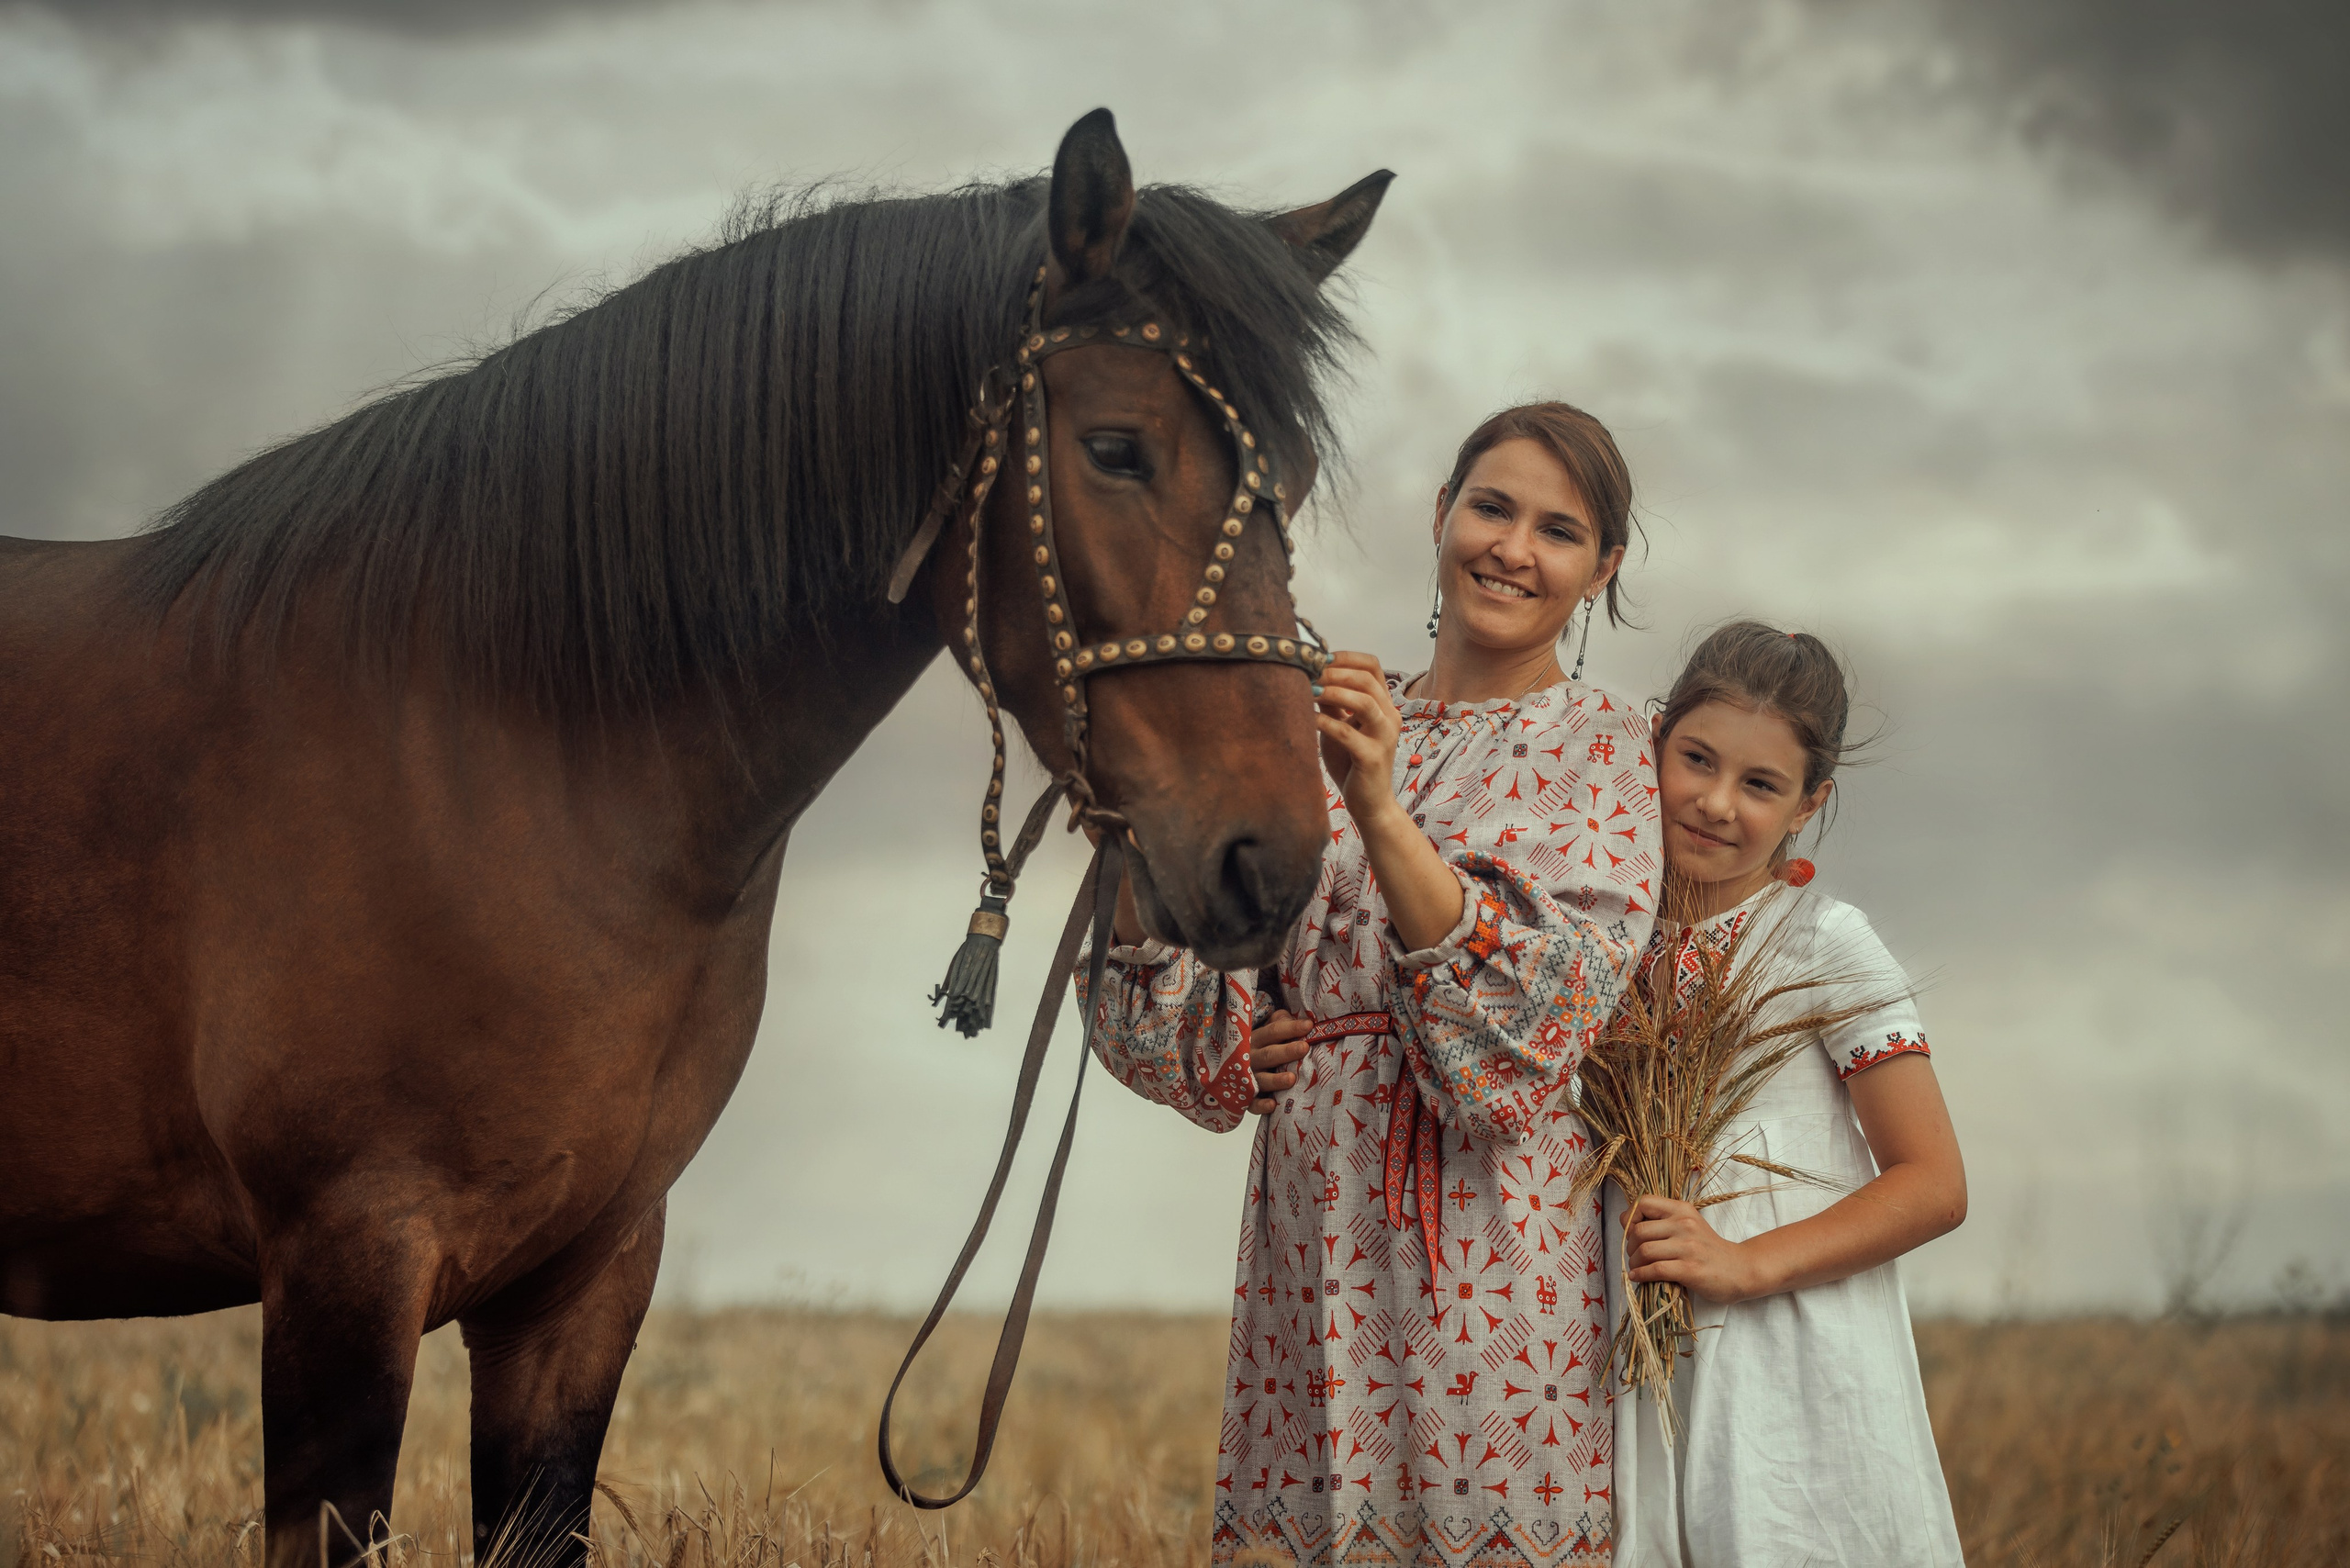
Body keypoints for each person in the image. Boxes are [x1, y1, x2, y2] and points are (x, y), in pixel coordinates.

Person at [1079, 402, 1661, 1568]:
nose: (1512, 547)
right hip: (1310, 1220)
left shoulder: (1601, 740)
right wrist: (1145, 814)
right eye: (1491, 507)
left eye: (1557, 530)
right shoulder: (1326, 716)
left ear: (1600, 570)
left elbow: (1528, 1021)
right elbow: (1177, 980)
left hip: (1490, 1230)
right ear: (1440, 513)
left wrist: (1380, 804)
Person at [1610, 622, 1968, 1567]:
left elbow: (1933, 1183)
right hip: (1628, 1351)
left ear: (1811, 801)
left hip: (1787, 1354)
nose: (1715, 802)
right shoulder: (1599, 934)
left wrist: (1742, 1264)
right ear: (1655, 740)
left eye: (1761, 784)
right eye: (1696, 759)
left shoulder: (1821, 940)